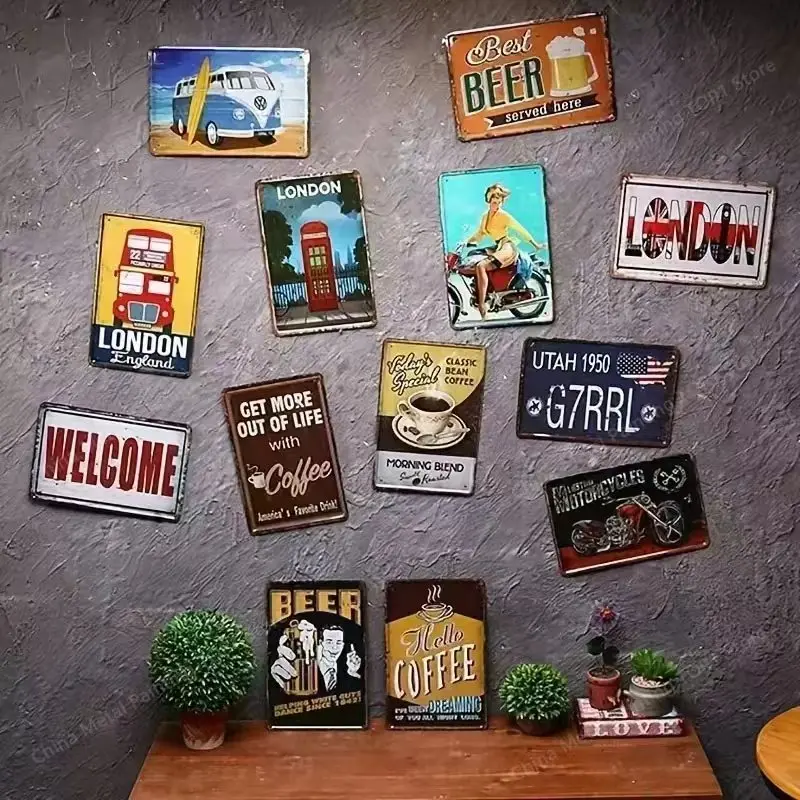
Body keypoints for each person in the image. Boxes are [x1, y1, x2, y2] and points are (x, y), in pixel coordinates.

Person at [465, 184, 547, 319]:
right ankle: (488, 290)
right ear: (488, 200)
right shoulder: (485, 217)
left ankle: (482, 305)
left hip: (507, 246)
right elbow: (479, 233)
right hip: (497, 246)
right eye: (493, 200)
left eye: (499, 200)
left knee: (481, 266)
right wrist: (467, 242)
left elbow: (520, 229)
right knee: (473, 257)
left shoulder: (504, 216)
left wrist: (535, 244)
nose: (496, 203)